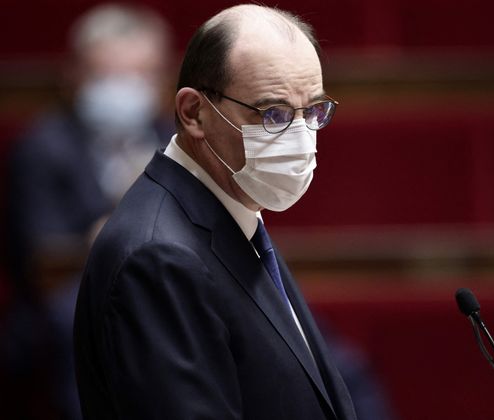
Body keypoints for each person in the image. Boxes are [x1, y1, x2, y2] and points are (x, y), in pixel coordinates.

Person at [73, 4, 357, 419]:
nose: (300, 136)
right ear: (194, 113)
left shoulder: (229, 213)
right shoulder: (160, 259)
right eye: (273, 114)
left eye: (312, 111)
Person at [3, 4, 172, 419]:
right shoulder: (41, 148)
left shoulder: (177, 142)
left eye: (138, 74)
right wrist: (110, 239)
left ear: (161, 78)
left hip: (165, 285)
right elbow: (38, 257)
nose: (123, 88)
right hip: (71, 297)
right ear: (74, 75)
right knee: (78, 322)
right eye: (107, 75)